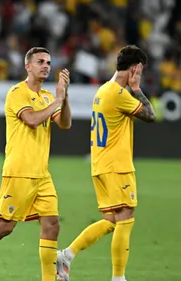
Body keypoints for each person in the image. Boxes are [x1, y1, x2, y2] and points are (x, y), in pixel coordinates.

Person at [0, 47, 72, 281]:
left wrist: (64, 98)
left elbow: (65, 124)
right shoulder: (17, 92)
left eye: (48, 62)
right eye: (40, 61)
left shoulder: (48, 97)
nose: (46, 66)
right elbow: (31, 120)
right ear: (28, 66)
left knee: (51, 225)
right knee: (4, 227)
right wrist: (58, 99)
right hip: (19, 172)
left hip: (41, 174)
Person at [56, 45, 156, 281]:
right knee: (125, 218)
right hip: (117, 166)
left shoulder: (103, 90)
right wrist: (137, 88)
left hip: (101, 165)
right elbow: (150, 115)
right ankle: (118, 278)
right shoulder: (119, 94)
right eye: (140, 69)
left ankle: (67, 255)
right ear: (135, 68)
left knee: (111, 221)